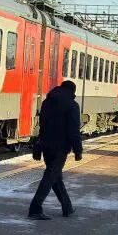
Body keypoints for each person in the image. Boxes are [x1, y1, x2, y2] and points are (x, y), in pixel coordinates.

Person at [28, 79, 83, 220]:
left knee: (55, 177)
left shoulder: (47, 102)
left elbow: (42, 126)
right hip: (60, 147)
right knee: (51, 176)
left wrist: (38, 145)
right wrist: (78, 150)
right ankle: (35, 208)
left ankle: (67, 207)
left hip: (46, 145)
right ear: (72, 92)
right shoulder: (72, 105)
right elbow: (73, 131)